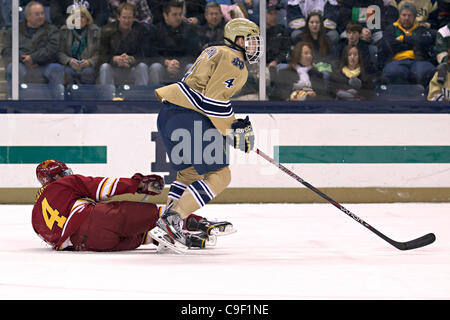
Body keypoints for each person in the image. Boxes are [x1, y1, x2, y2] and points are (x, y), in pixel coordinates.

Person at [149, 18, 262, 251]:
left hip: (169, 114)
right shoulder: (235, 60)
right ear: (238, 40)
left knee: (188, 173)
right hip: (189, 118)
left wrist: (232, 126)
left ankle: (166, 227)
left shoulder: (215, 50)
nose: (254, 46)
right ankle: (173, 220)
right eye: (251, 40)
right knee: (220, 175)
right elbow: (212, 100)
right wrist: (233, 127)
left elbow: (206, 96)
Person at [32, 159, 220, 251]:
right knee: (155, 214)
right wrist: (138, 184)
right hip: (97, 219)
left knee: (138, 235)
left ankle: (177, 238)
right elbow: (101, 186)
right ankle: (201, 223)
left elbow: (56, 241)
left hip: (90, 244)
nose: (67, 175)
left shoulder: (35, 216)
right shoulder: (63, 184)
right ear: (54, 177)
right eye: (63, 173)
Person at [1, 1, 64, 98]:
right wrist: (24, 59)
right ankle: (13, 104)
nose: (41, 16)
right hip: (22, 65)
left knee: (56, 68)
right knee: (13, 68)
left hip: (44, 65)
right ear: (28, 16)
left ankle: (58, 105)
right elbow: (6, 50)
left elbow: (53, 49)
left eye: (42, 13)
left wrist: (33, 58)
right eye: (37, 14)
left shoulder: (52, 30)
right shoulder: (14, 30)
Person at [380, 2, 436, 87]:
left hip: (419, 61)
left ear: (414, 17)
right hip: (396, 61)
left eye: (410, 15)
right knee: (393, 72)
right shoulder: (391, 28)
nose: (406, 18)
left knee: (428, 70)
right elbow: (388, 46)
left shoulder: (421, 29)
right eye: (404, 15)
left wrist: (403, 39)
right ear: (399, 15)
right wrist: (413, 43)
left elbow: (423, 41)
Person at [148, 0, 201, 85]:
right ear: (165, 15)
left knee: (191, 67)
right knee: (155, 67)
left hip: (183, 65)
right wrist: (166, 62)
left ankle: (190, 96)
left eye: (180, 14)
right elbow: (151, 53)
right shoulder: (156, 30)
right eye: (174, 14)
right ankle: (154, 96)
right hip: (163, 65)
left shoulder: (189, 29)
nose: (178, 18)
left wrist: (178, 63)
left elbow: (194, 53)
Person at [98, 3, 149, 86]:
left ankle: (141, 96)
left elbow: (146, 55)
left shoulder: (141, 30)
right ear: (118, 17)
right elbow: (102, 56)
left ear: (134, 18)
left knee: (142, 67)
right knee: (105, 67)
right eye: (124, 17)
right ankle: (107, 97)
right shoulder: (107, 30)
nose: (127, 21)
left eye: (129, 18)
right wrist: (115, 59)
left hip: (132, 68)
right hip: (114, 69)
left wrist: (132, 59)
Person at [58, 5, 100, 85]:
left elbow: (99, 53)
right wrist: (69, 61)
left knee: (88, 72)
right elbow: (59, 52)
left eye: (82, 17)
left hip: (88, 66)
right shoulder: (64, 31)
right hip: (69, 65)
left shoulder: (95, 31)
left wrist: (89, 62)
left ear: (87, 19)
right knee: (67, 72)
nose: (79, 20)